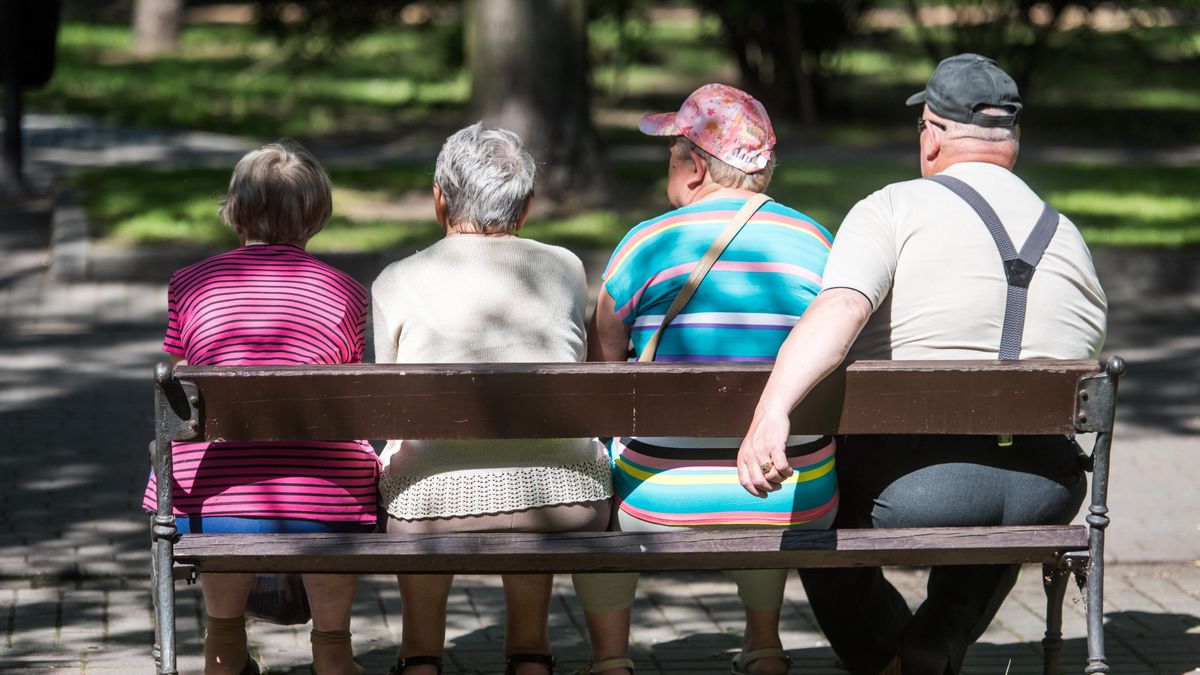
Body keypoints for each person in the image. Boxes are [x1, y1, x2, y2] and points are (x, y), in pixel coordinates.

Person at [736, 54, 1108, 675]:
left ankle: (883, 657)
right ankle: (933, 645)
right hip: (1047, 492)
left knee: (812, 494)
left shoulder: (892, 208)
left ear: (932, 133)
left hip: (916, 488)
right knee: (1001, 489)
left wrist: (772, 409)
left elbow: (839, 310)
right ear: (1010, 140)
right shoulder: (1067, 234)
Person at [573, 84, 839, 675]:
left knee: (592, 474)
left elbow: (603, 368)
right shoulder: (818, 243)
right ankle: (764, 644)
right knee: (760, 459)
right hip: (792, 494)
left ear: (693, 166)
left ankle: (611, 658)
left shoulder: (646, 243)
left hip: (657, 496)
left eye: (671, 154)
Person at [371, 123, 613, 675]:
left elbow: (390, 404)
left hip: (426, 508)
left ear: (439, 199)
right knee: (539, 456)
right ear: (524, 207)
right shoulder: (565, 268)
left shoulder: (395, 280)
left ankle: (420, 656)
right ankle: (529, 652)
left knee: (417, 465)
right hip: (567, 501)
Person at [142, 142, 378, 675]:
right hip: (326, 505)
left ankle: (223, 647)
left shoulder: (191, 283)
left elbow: (181, 386)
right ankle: (333, 649)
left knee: (204, 464)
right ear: (316, 216)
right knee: (333, 471)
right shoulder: (346, 292)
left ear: (236, 211)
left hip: (212, 504)